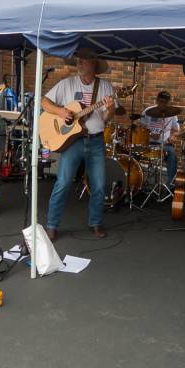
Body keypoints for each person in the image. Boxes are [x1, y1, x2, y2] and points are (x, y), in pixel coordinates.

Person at [42, 48, 116, 241]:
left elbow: (106, 119)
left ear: (94, 65)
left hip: (96, 141)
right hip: (73, 142)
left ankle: (96, 222)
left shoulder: (106, 87)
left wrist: (110, 109)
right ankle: (51, 225)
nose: (79, 63)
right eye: (78, 60)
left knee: (99, 185)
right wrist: (60, 112)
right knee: (63, 182)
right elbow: (44, 102)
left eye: (84, 60)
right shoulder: (66, 84)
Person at [139, 90, 181, 187]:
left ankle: (170, 185)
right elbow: (141, 126)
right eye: (161, 101)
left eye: (165, 102)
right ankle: (138, 182)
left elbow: (177, 130)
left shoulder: (172, 114)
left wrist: (173, 136)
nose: (163, 104)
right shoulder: (148, 111)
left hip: (165, 145)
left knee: (172, 156)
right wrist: (150, 133)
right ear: (157, 100)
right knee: (134, 151)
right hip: (149, 143)